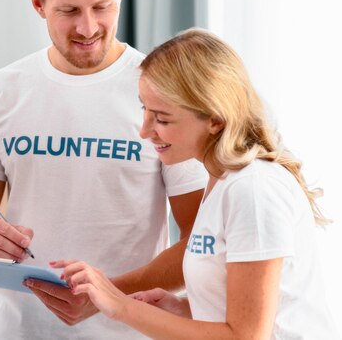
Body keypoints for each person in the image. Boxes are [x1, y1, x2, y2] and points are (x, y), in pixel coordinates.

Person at [0, 0, 208, 338]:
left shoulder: (164, 94)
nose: (88, 28)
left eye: (102, 7)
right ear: (37, 2)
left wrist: (107, 295)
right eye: (68, 11)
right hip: (18, 331)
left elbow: (202, 242)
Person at [55, 29, 340, 339]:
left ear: (215, 120)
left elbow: (245, 337)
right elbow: (241, 311)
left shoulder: (253, 190)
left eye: (162, 118)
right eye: (145, 110)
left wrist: (120, 306)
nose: (145, 130)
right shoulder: (221, 183)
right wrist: (183, 309)